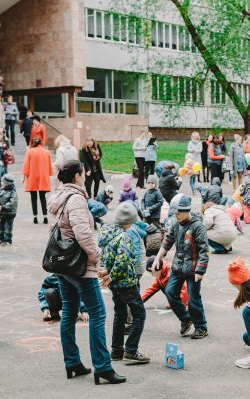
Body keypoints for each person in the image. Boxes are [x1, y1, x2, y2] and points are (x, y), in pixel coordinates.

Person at [47, 160, 126, 385]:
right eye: (83, 172)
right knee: (98, 313)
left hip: (61, 264)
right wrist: (96, 254)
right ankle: (102, 366)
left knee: (69, 312)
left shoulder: (56, 196)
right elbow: (83, 233)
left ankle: (72, 362)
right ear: (78, 176)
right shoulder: (76, 199)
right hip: (79, 265)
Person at [98, 201, 150, 365]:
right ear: (128, 222)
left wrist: (108, 273)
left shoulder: (107, 231)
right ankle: (131, 350)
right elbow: (122, 261)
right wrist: (111, 276)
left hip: (115, 284)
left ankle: (116, 350)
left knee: (120, 314)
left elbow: (107, 257)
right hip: (126, 282)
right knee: (139, 313)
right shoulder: (125, 236)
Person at [151, 195, 210, 339]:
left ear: (186, 211)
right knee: (170, 292)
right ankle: (186, 319)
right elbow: (167, 242)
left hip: (193, 270)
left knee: (193, 299)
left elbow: (204, 250)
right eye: (174, 213)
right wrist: (157, 258)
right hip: (178, 267)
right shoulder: (176, 224)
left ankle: (201, 327)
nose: (175, 216)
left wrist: (200, 270)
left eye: (178, 213)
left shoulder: (198, 226)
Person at [21, 138, 53, 224]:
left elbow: (26, 166)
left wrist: (24, 176)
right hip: (43, 177)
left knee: (33, 197)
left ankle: (35, 217)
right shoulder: (47, 152)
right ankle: (45, 216)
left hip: (32, 177)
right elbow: (49, 167)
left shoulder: (30, 152)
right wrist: (48, 174)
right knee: (43, 197)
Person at [0, 174, 18, 246]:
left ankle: (7, 240)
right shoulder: (0, 190)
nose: (1, 183)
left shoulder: (13, 192)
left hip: (9, 213)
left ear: (7, 183)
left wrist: (3, 207)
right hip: (1, 213)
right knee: (1, 226)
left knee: (8, 227)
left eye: (3, 182)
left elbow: (12, 203)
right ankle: (1, 238)